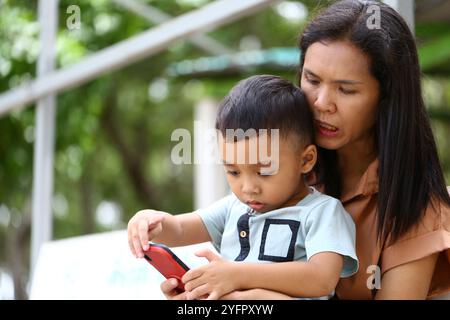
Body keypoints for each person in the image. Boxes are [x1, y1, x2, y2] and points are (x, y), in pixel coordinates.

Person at [160, 0, 450, 300]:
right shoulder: (281, 174)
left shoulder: (416, 208)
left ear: (387, 97)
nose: (322, 102)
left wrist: (244, 293)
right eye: (312, 80)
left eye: (346, 89)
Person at [128, 75, 359, 300]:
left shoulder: (323, 212)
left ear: (306, 160)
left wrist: (236, 275)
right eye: (234, 172)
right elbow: (178, 229)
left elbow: (321, 278)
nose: (248, 188)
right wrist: (151, 222)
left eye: (264, 171)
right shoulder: (234, 207)